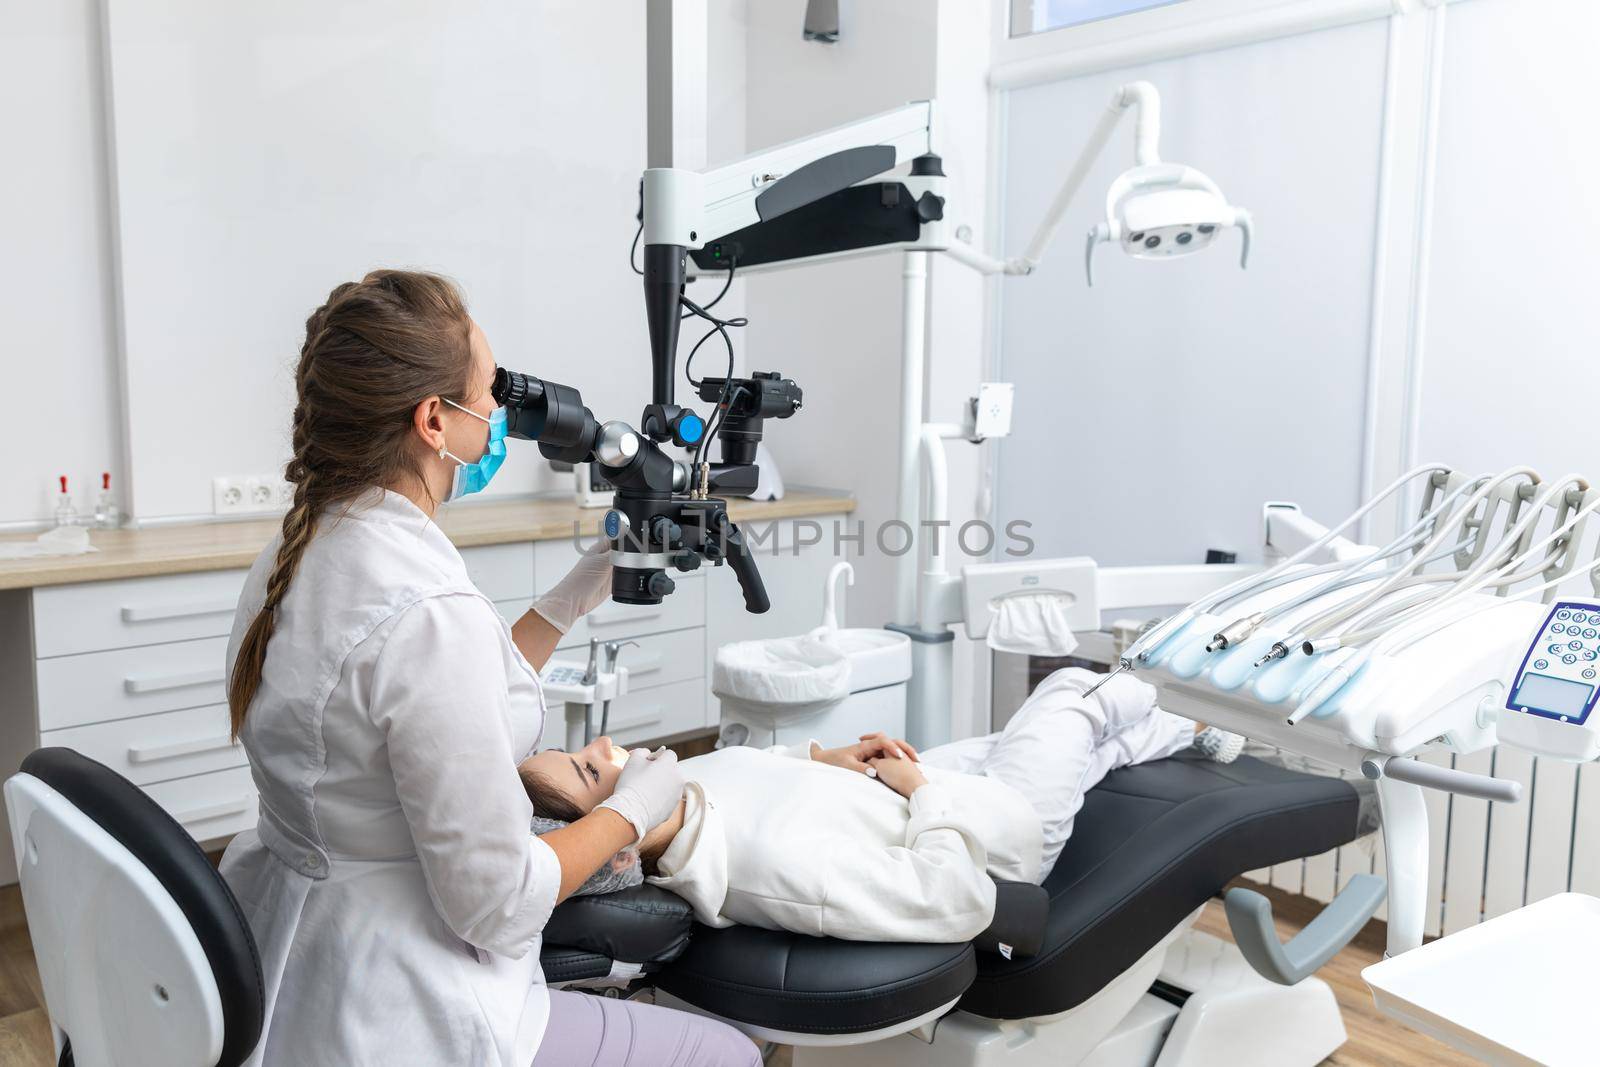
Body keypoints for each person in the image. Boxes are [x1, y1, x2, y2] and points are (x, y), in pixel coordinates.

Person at [220, 271, 759, 1066]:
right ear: (434, 419)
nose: (501, 414)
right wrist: (631, 811)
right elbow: (499, 904)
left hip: (293, 950)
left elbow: (433, 701)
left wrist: (573, 595)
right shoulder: (428, 607)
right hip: (401, 1001)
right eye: (488, 392)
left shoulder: (302, 549)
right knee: (732, 1056)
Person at [519, 669, 1236, 943]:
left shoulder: (673, 796)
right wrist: (925, 794)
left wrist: (829, 760)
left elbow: (752, 768)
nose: (611, 743)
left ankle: (1202, 731)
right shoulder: (765, 867)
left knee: (1091, 750)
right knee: (1077, 694)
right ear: (617, 845)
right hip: (999, 824)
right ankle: (1214, 689)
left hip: (912, 785)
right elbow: (955, 896)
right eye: (592, 767)